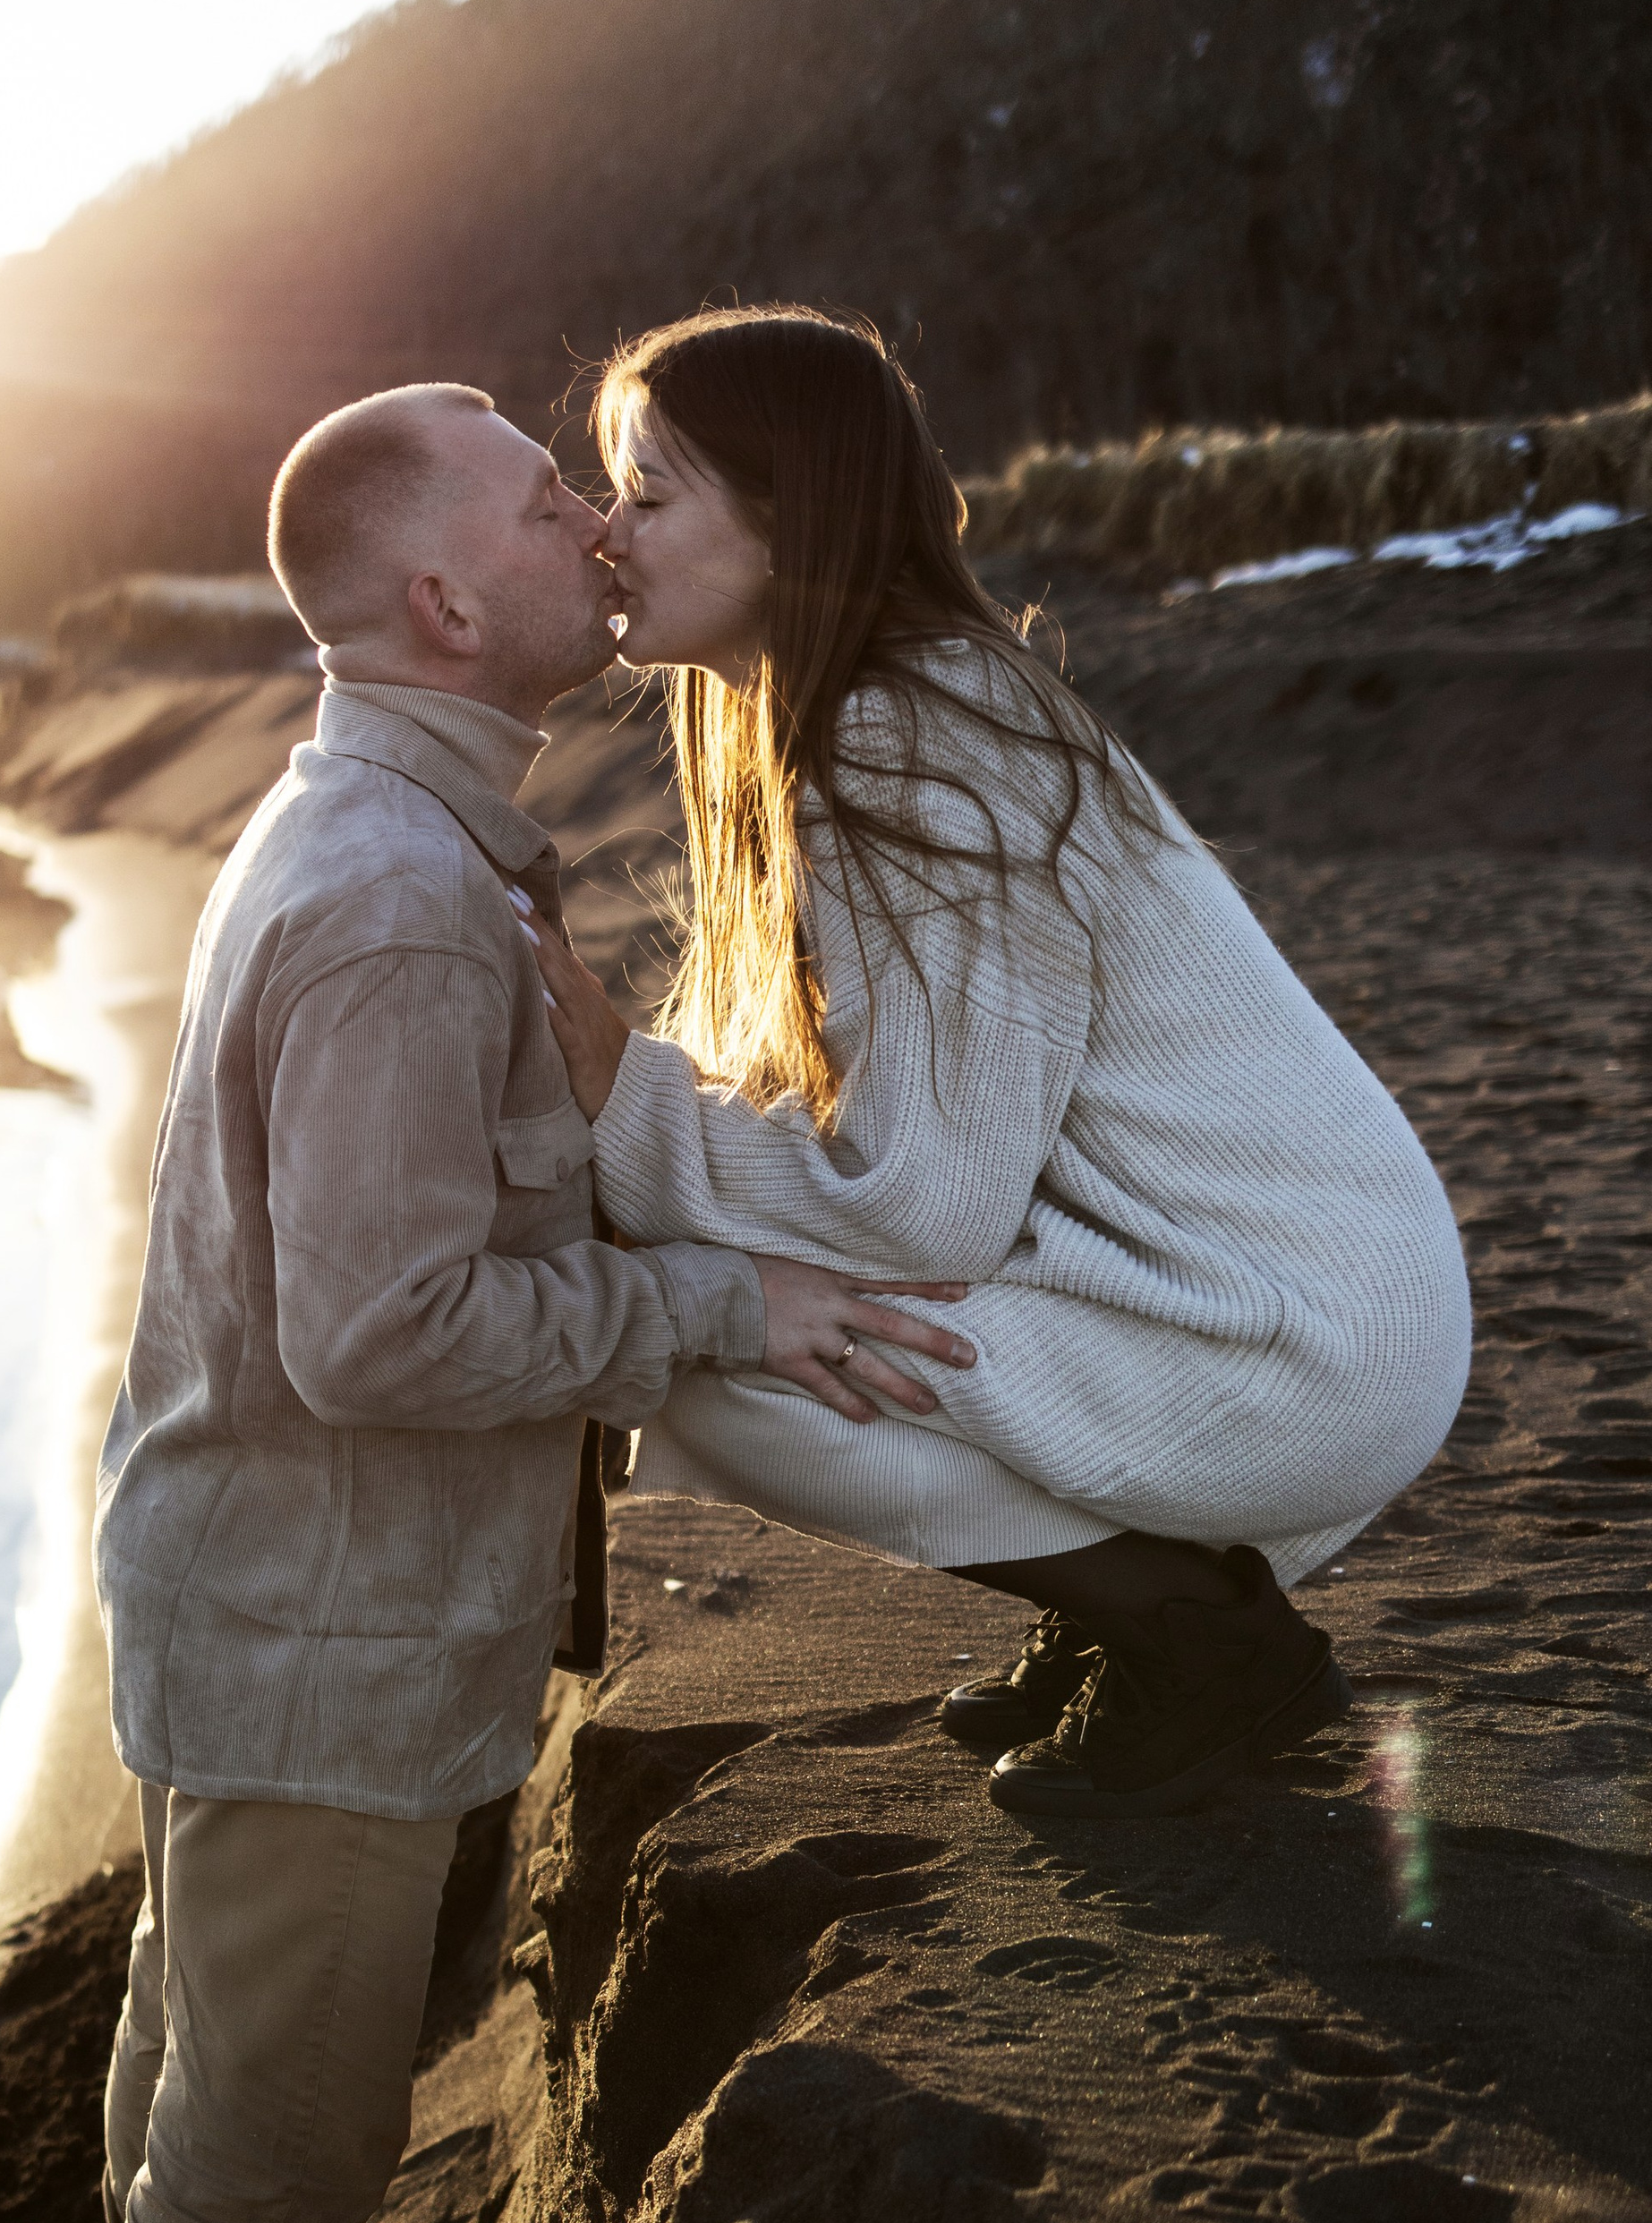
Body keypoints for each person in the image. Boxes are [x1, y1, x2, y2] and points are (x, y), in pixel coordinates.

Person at [30, 379, 975, 2223]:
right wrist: (719, 1308)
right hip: (316, 1645)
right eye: (539, 491)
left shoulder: (397, 846)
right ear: (448, 600)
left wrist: (577, 1116)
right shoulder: (391, 902)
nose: (588, 513)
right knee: (274, 2153)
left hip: (271, 1602)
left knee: (212, 2078)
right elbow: (381, 1333)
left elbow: (386, 1253)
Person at [524, 303, 1471, 1818]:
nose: (604, 540)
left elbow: (916, 1209)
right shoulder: (899, 708)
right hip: (1302, 1301)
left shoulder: (915, 745)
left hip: (1294, 1339)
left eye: (648, 494)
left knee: (713, 1358)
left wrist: (612, 1090)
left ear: (788, 514)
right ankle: (1115, 1600)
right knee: (754, 1297)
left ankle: (1194, 1636)